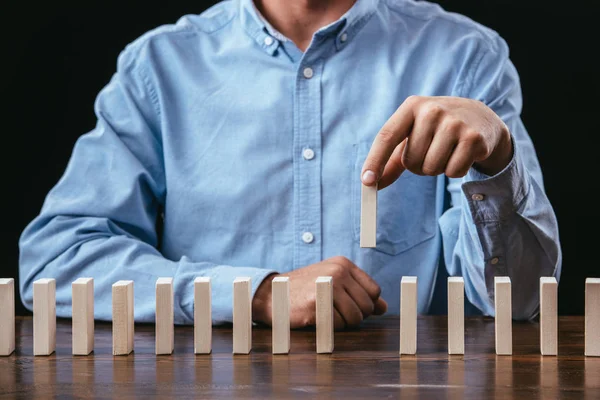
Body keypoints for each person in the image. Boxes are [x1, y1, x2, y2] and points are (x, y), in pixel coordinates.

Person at [18, 0, 561, 329]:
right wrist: (254, 292)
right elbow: (57, 260)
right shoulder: (158, 67)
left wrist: (498, 162)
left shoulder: (465, 57)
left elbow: (523, 303)